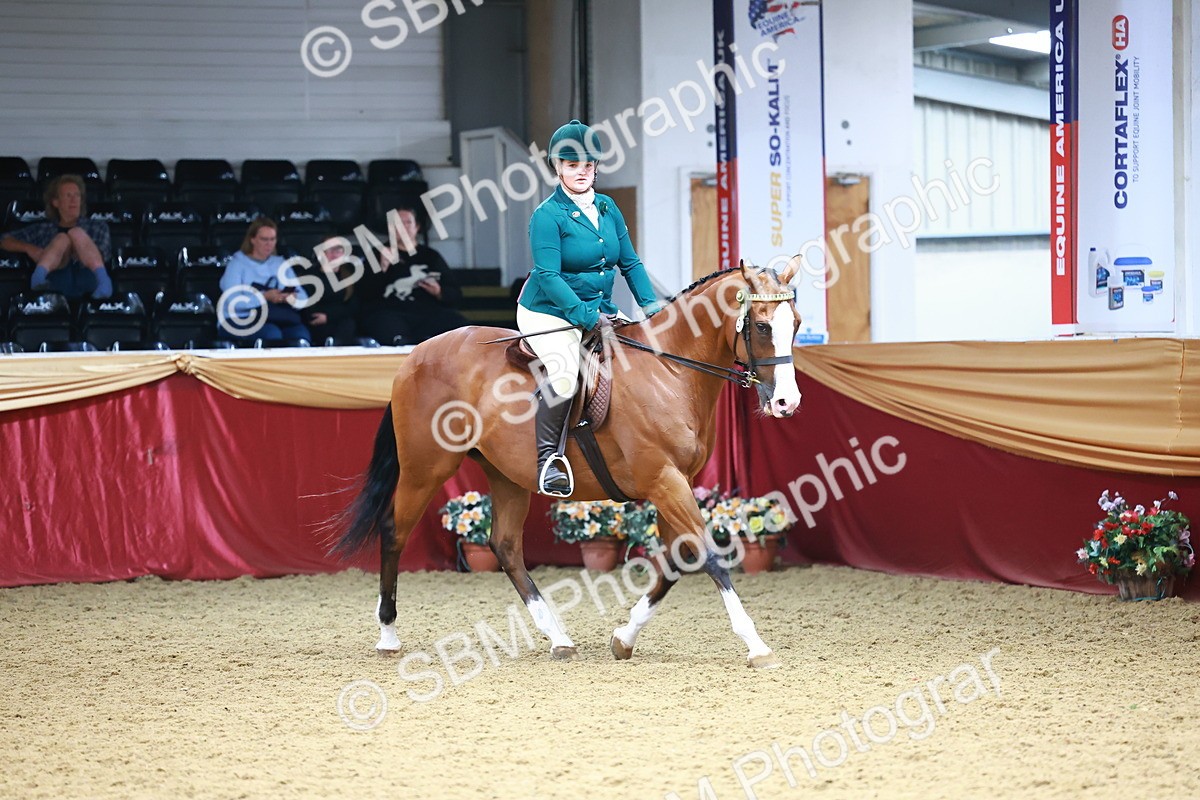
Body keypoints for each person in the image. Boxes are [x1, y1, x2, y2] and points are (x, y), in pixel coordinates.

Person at [517, 119, 662, 497]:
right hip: (548, 310)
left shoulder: (608, 207)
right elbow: (548, 276)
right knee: (565, 373)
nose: (580, 172)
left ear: (595, 168)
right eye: (571, 165)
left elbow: (629, 263)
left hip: (599, 307)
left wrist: (653, 307)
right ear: (557, 168)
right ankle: (549, 461)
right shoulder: (547, 216)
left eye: (586, 166)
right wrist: (585, 316)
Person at [356, 205, 469, 345]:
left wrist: (439, 292)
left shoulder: (431, 256)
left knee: (460, 328)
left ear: (417, 227)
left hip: (427, 312)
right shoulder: (377, 254)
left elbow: (455, 294)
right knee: (388, 328)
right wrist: (382, 267)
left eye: (408, 222)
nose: (403, 227)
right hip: (390, 312)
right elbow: (363, 293)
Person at [0, 174, 113, 300]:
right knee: (61, 239)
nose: (74, 200)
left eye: (77, 195)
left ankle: (104, 283)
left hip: (90, 290)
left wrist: (75, 247)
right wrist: (29, 248)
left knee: (76, 233)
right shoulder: (42, 229)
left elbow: (104, 254)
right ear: (56, 202)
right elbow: (4, 240)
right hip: (52, 293)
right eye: (68, 195)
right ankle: (38, 278)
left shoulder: (97, 226)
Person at [218, 217, 310, 342]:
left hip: (276, 316)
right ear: (252, 240)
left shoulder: (280, 263)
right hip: (239, 318)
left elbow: (303, 297)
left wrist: (291, 298)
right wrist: (264, 297)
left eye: (272, 239)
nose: (269, 244)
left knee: (300, 334)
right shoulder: (237, 264)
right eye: (264, 239)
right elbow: (234, 302)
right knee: (271, 334)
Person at [300, 238, 360, 344]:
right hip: (318, 325)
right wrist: (336, 314)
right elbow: (310, 310)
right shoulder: (310, 276)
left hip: (342, 323)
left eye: (338, 250)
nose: (334, 254)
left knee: (348, 324)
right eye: (329, 250)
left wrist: (329, 316)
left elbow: (354, 307)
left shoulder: (349, 276)